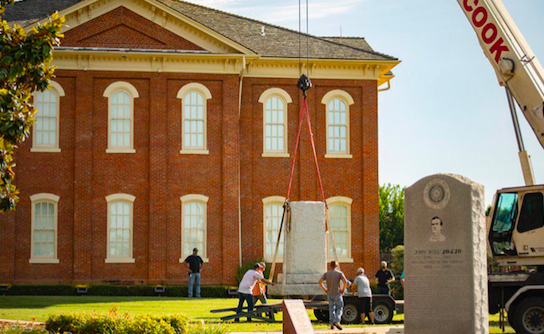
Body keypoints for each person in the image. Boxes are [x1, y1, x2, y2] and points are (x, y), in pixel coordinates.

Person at [319, 261, 348, 330]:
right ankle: (337, 320)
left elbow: (320, 282)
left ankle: (332, 324)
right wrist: (343, 290)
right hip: (337, 293)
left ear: (330, 265)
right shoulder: (339, 273)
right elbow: (345, 281)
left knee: (331, 308)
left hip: (330, 293)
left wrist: (325, 289)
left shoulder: (326, 273)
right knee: (340, 307)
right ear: (336, 266)